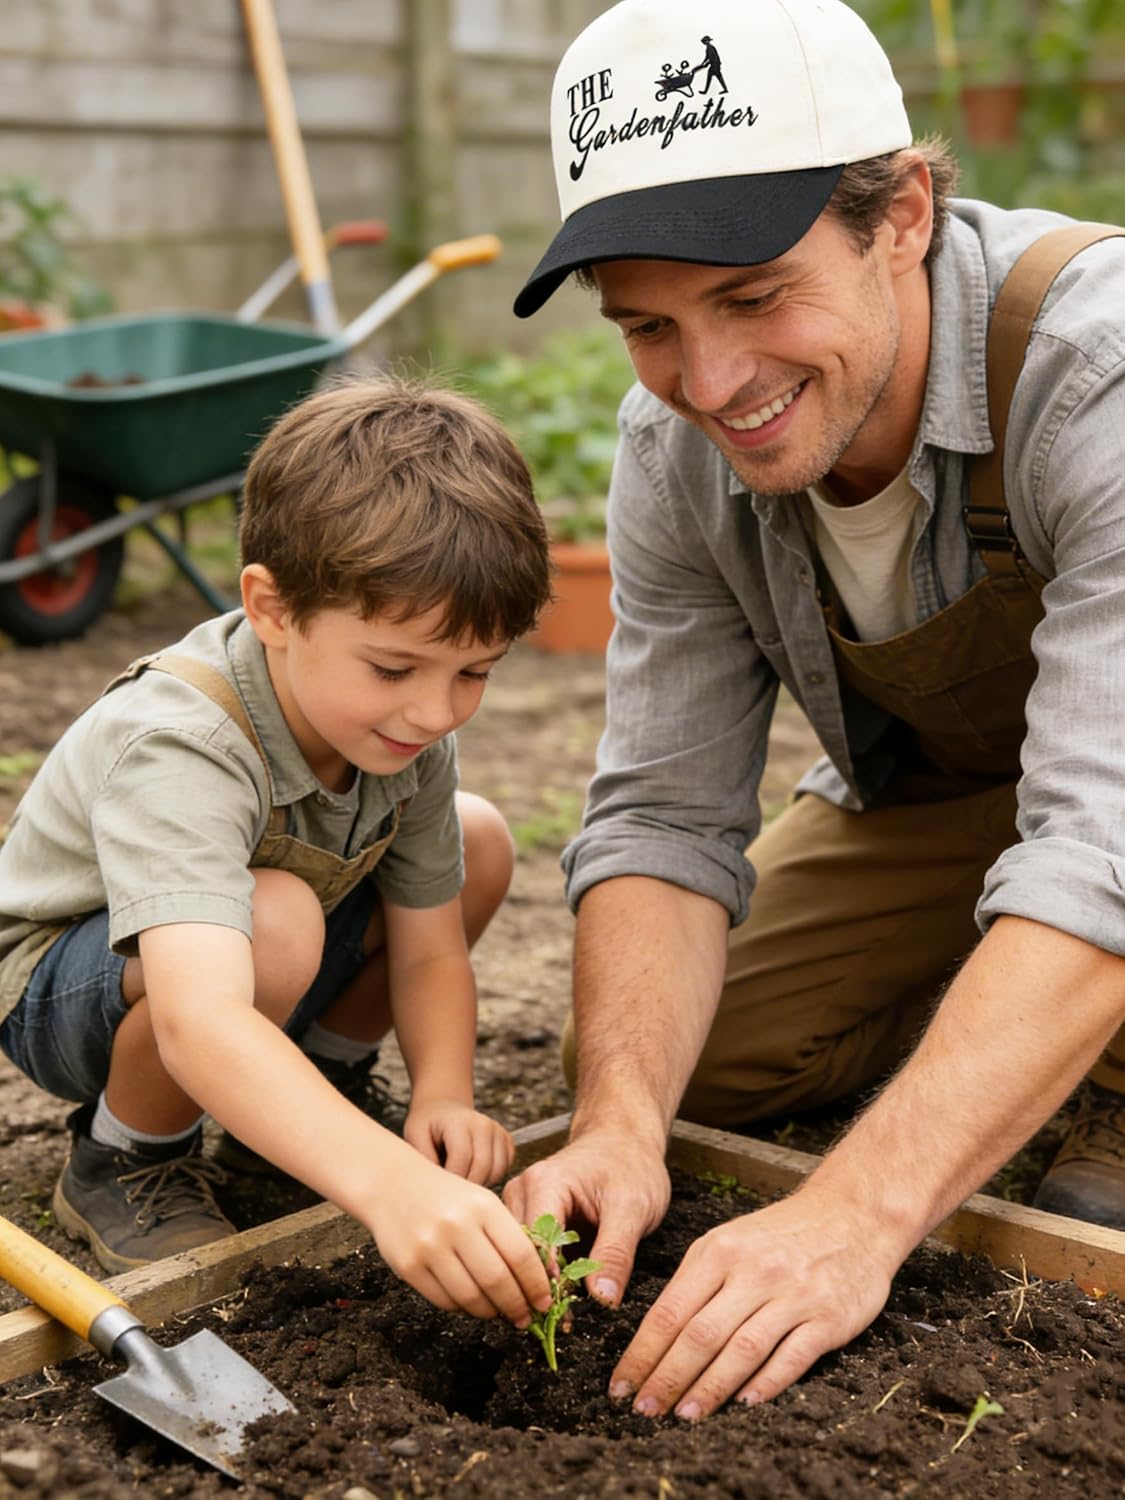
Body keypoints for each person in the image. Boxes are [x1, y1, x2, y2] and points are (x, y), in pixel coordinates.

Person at [505, 0, 1125, 1426]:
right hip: (965, 793)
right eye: (649, 326)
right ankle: (1027, 1014)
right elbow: (661, 810)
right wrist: (615, 1127)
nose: (709, 384)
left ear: (902, 212)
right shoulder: (676, 448)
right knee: (697, 1064)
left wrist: (856, 1214)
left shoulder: (1091, 370)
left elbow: (1100, 836)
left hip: (1104, 799)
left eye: (751, 296)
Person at [0, 374, 557, 1332]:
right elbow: (198, 1018)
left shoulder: (406, 733)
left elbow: (429, 950)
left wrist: (447, 1095)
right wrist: (388, 1188)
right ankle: (125, 1160)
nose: (434, 710)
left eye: (474, 672)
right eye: (392, 667)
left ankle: (307, 1106)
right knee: (277, 918)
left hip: (246, 959)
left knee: (478, 837)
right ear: (272, 608)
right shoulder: (183, 739)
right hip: (70, 988)